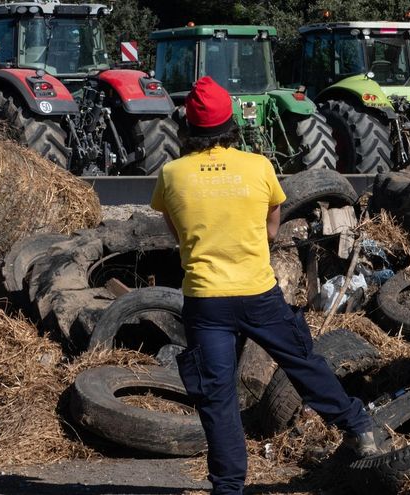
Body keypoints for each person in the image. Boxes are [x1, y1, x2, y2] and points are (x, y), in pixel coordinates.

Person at [150, 76, 378, 495]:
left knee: (217, 397)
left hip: (205, 301)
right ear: (231, 123)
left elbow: (176, 232)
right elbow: (271, 229)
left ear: (189, 127)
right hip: (258, 293)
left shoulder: (171, 174)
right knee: (302, 363)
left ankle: (228, 487)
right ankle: (358, 425)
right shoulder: (258, 166)